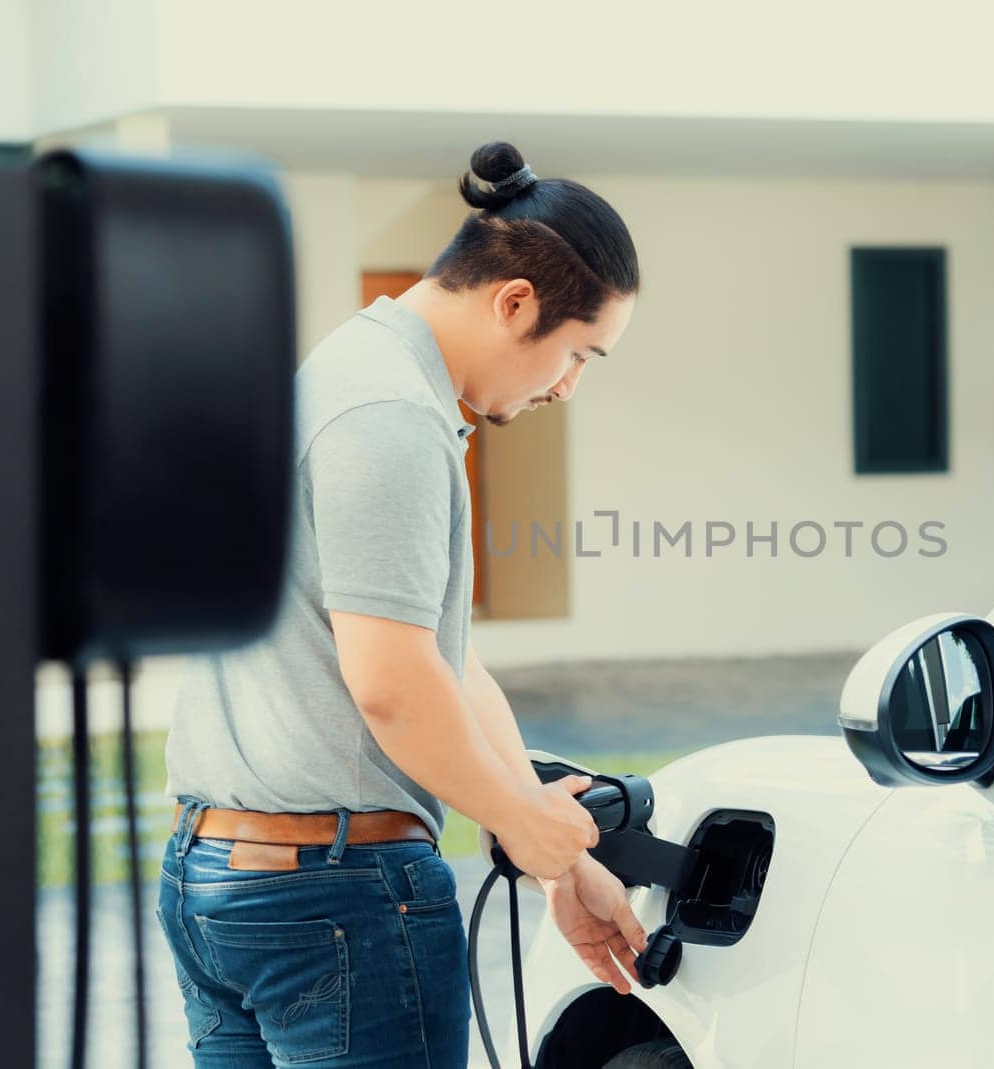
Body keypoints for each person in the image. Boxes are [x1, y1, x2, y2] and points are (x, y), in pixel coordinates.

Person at [156, 142, 647, 1068]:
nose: (569, 386)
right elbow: (392, 684)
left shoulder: (346, 370)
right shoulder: (392, 417)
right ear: (516, 303)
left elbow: (443, 660)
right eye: (580, 353)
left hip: (220, 878)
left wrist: (553, 845)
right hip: (335, 901)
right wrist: (523, 825)